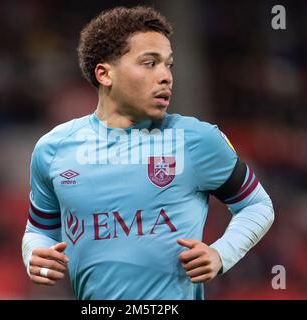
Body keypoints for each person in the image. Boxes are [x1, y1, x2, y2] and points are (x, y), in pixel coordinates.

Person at [21, 6, 274, 300]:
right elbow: (38, 230)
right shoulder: (53, 149)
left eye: (169, 65)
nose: (165, 76)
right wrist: (34, 255)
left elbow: (257, 205)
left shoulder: (197, 140)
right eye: (150, 63)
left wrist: (221, 254)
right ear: (104, 74)